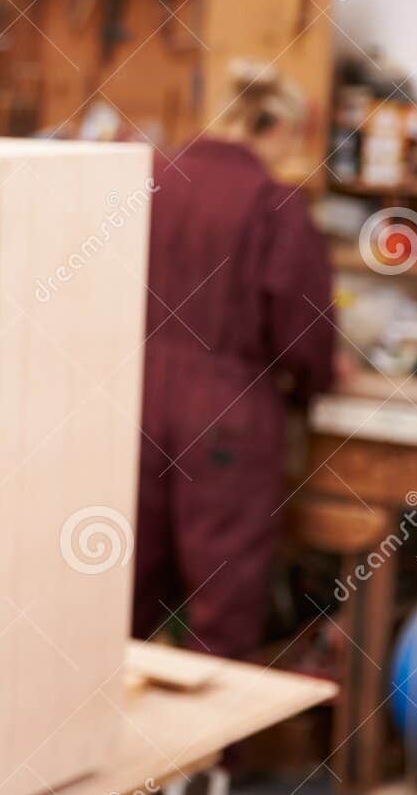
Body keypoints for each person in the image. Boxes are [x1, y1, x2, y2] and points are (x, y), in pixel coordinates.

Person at [132, 62, 335, 659]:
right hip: (225, 419)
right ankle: (212, 753)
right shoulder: (274, 204)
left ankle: (119, 743)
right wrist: (316, 383)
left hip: (133, 403)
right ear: (275, 128)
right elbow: (306, 338)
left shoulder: (148, 179)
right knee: (222, 608)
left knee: (125, 593)